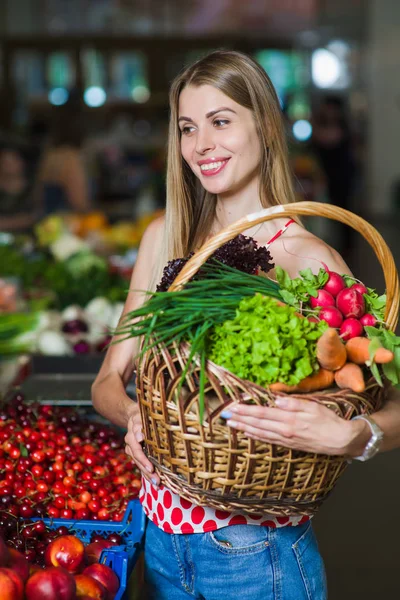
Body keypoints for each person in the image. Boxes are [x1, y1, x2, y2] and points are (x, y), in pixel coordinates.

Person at [91, 50, 400, 600]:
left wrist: (355, 435)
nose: (201, 144)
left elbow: (389, 394)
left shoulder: (308, 259)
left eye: (221, 121)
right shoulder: (165, 236)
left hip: (257, 556)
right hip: (158, 543)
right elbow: (107, 381)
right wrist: (133, 414)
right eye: (188, 128)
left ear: (264, 124)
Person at [311, 96, 358, 260]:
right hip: (324, 174)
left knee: (343, 210)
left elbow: (329, 139)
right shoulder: (320, 122)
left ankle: (347, 248)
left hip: (341, 174)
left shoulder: (342, 126)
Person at [34, 96, 91, 216]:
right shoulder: (70, 157)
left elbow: (38, 197)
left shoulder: (50, 155)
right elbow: (80, 203)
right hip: (68, 227)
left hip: (48, 225)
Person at [0, 145, 37, 231]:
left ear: (21, 162)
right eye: (4, 162)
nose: (8, 165)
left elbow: (34, 215)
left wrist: (6, 223)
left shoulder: (32, 188)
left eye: (12, 161)